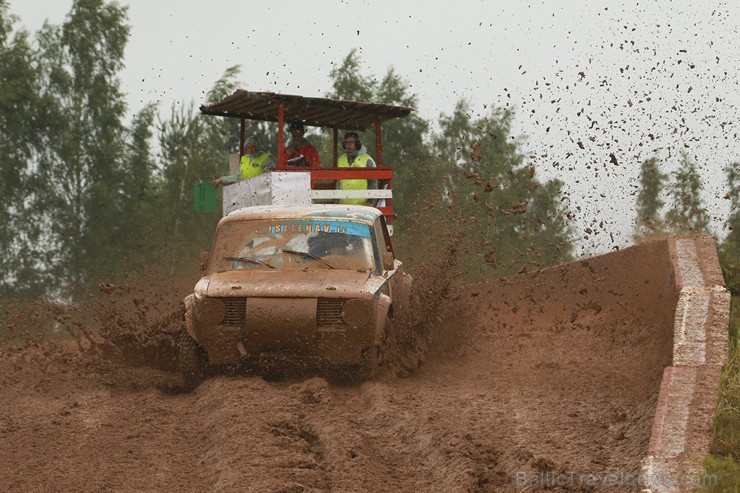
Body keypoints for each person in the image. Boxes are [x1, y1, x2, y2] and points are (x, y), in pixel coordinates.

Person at [337, 131, 377, 205]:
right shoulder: (340, 160)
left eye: (351, 142)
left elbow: (373, 183)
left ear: (357, 143)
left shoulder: (368, 160)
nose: (348, 145)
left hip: (363, 205)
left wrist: (370, 201)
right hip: (343, 205)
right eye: (346, 143)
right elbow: (337, 184)